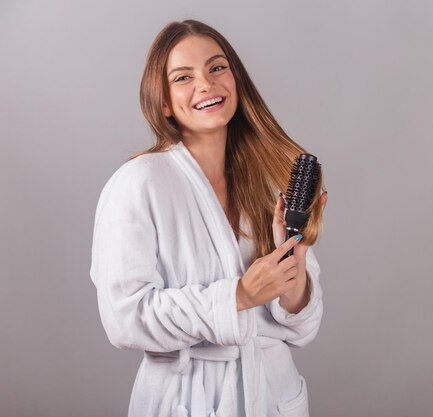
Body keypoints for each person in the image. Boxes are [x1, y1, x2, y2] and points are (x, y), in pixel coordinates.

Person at [89, 19, 328, 417]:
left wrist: (294, 277)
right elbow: (125, 318)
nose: (205, 84)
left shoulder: (268, 182)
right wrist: (238, 296)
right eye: (183, 77)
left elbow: (304, 329)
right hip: (189, 399)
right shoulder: (138, 184)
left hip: (273, 396)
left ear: (235, 79)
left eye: (217, 68)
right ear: (163, 101)